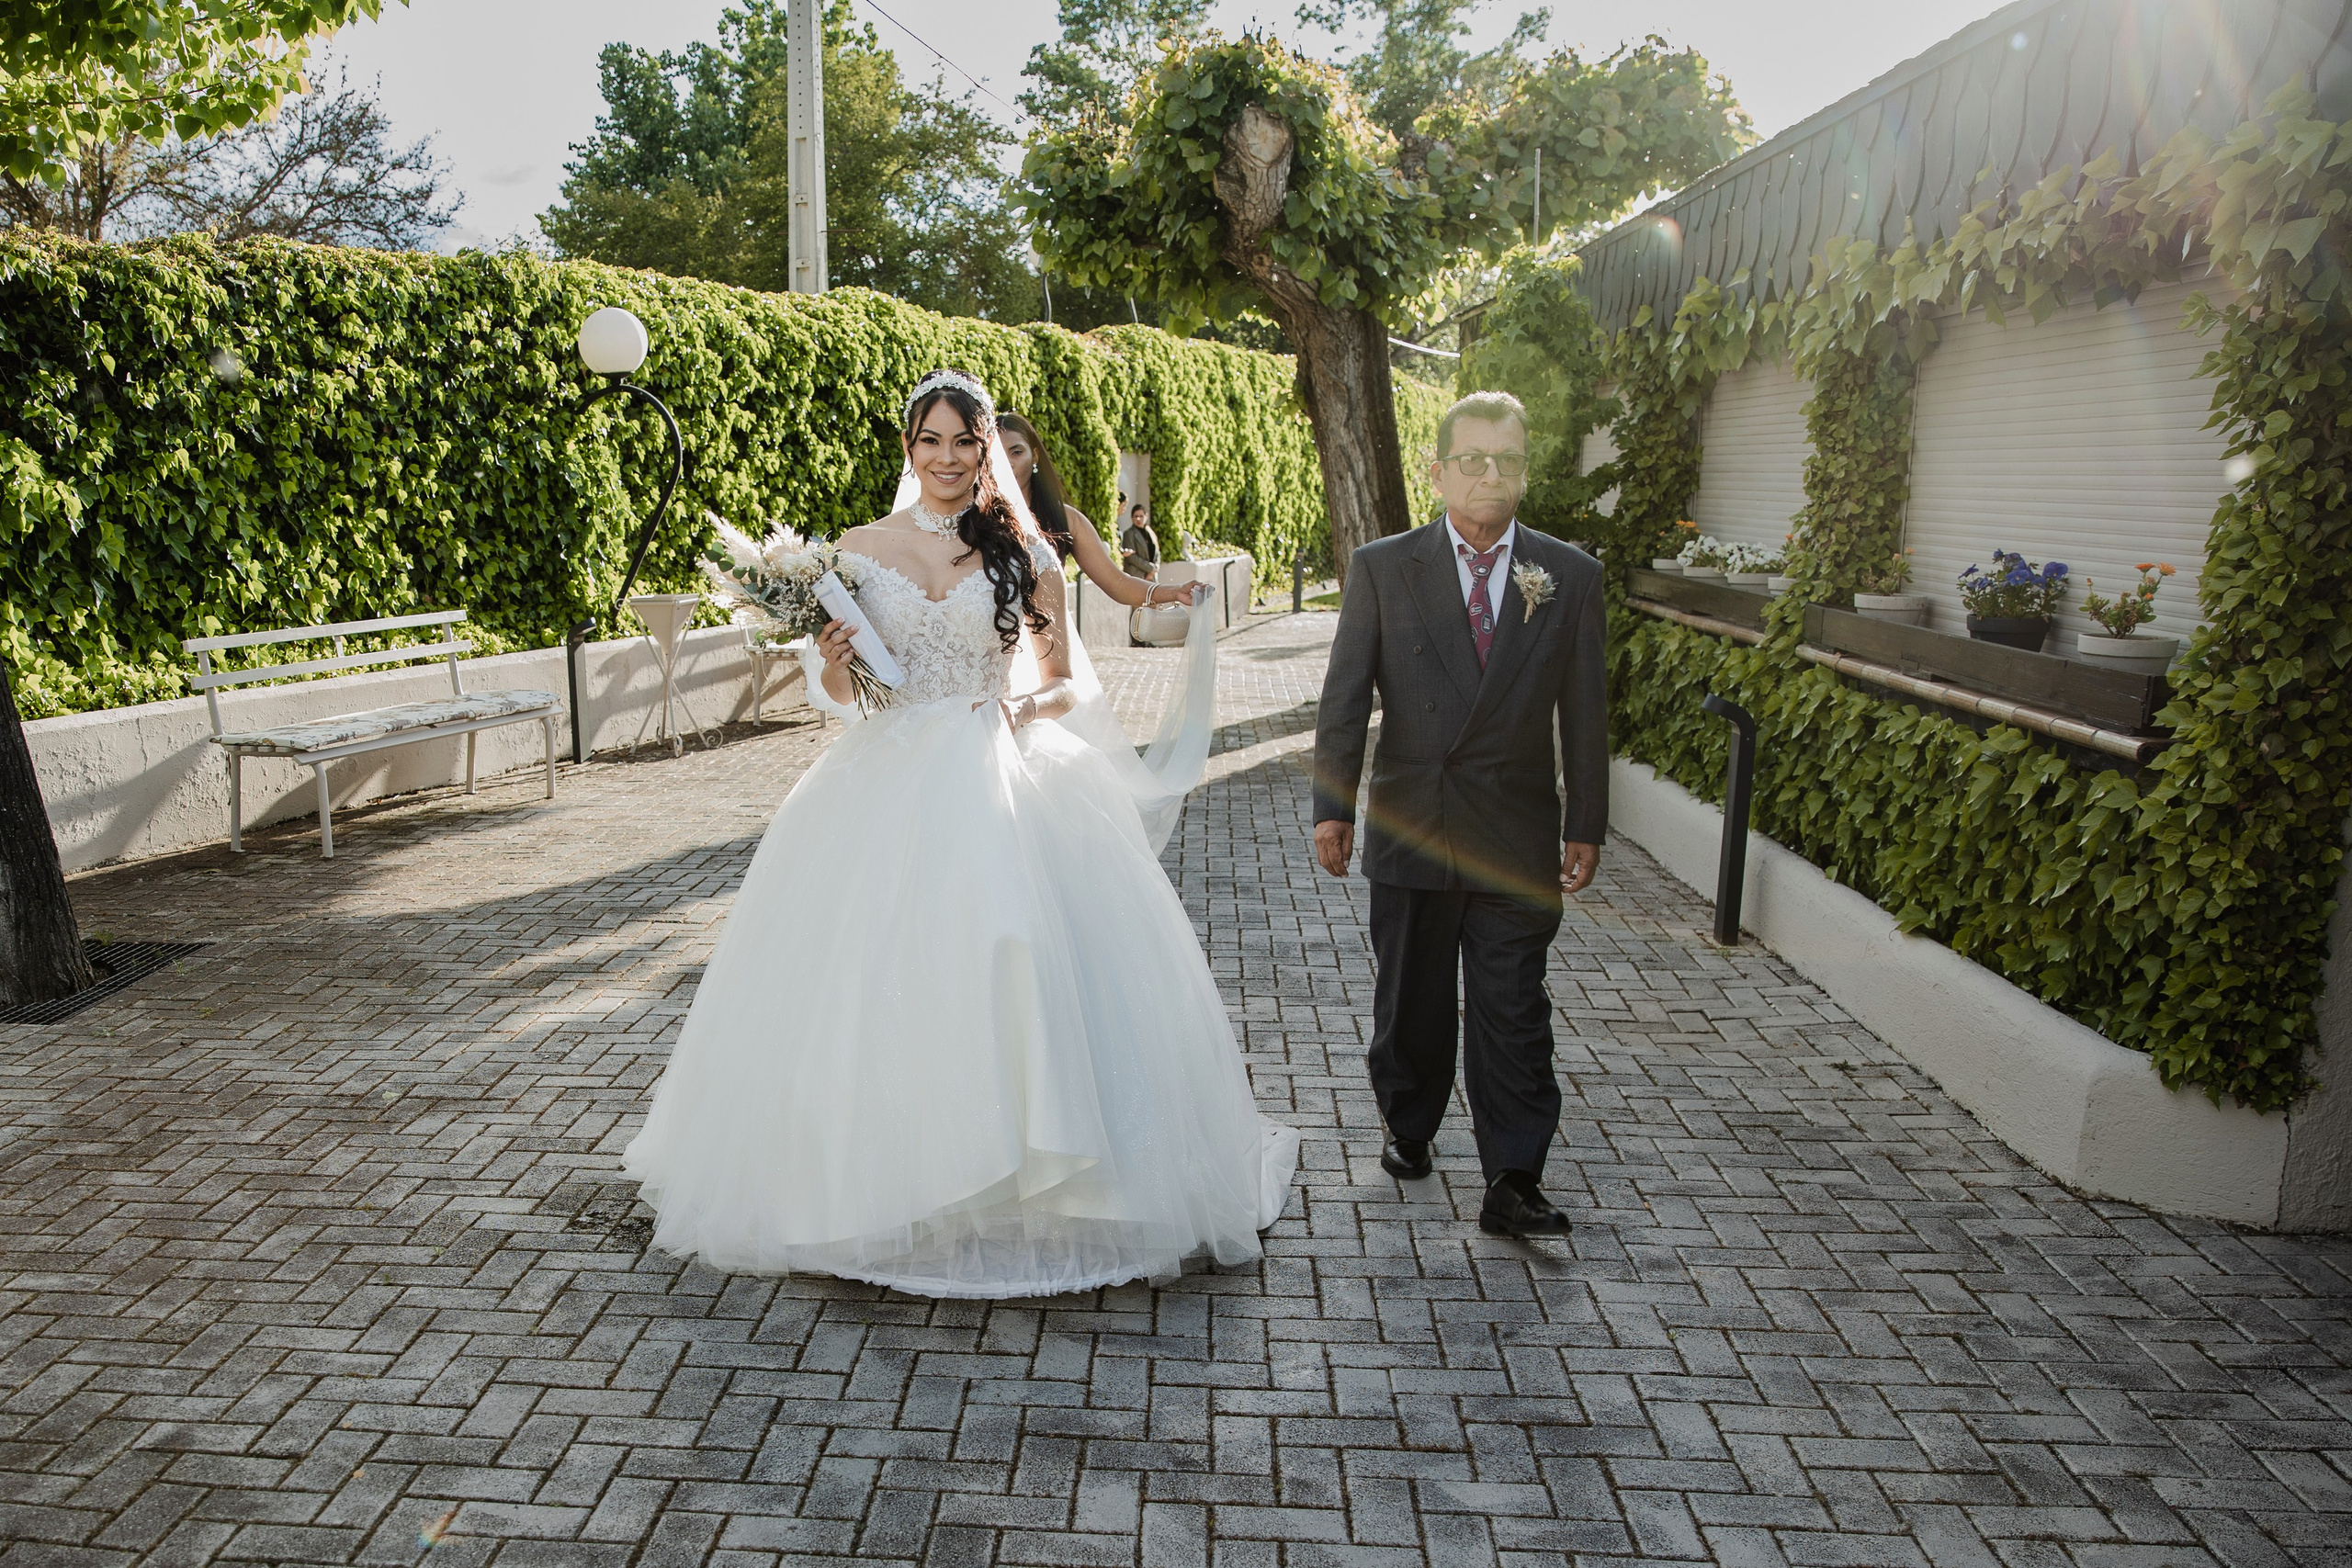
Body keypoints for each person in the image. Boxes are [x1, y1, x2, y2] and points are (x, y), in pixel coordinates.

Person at [623, 368, 1299, 1297]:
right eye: (930, 442)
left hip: (1001, 768)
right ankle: (888, 1180)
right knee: (873, 978)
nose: (946, 459)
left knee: (1013, 949)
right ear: (909, 450)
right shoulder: (855, 554)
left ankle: (1031, 1178)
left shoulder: (1026, 551)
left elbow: (1066, 682)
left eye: (964, 443)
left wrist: (1021, 711)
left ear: (990, 452)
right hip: (886, 783)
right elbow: (837, 698)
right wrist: (826, 662)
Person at [1308, 389, 1607, 1239]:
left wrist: (1585, 820)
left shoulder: (1569, 577)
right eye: (1472, 460)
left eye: (1507, 461)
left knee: (1515, 1006)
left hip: (1515, 835)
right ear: (1438, 472)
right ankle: (1409, 1120)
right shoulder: (1382, 566)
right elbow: (1344, 697)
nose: (1490, 476)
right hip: (1413, 821)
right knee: (1415, 999)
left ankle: (1514, 1172)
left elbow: (1585, 713)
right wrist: (1335, 806)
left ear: (1525, 472)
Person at [1000, 412, 1203, 612]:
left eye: (1016, 452)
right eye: (998, 454)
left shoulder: (1066, 519)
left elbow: (1117, 583)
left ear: (1035, 456)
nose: (1008, 463)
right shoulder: (972, 519)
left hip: (1044, 640)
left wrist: (1175, 591)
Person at [1121, 504, 1161, 579]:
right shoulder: (1129, 533)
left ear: (1146, 516)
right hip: (1137, 575)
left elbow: (1157, 552)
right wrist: (1150, 568)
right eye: (1136, 516)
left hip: (1152, 576)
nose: (1138, 519)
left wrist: (1155, 568)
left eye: (1141, 516)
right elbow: (1131, 557)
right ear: (1132, 518)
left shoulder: (1150, 532)